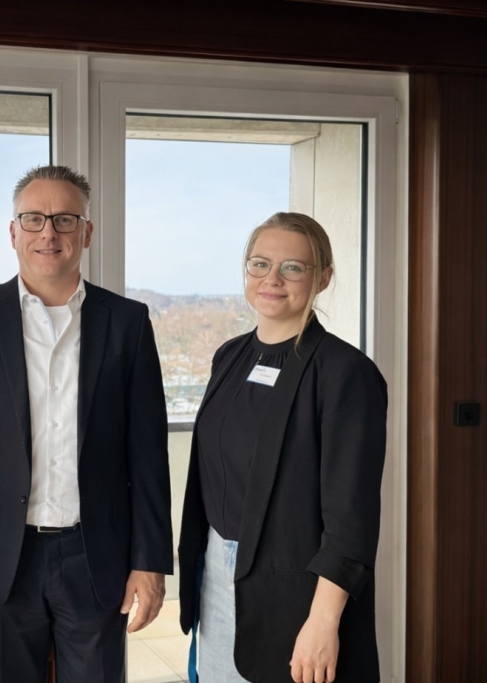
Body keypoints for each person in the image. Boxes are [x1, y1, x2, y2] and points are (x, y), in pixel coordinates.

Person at [0, 165, 172, 683]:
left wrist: (150, 562)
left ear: (85, 232)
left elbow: (148, 454)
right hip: (2, 558)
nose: (49, 233)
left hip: (96, 555)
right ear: (13, 232)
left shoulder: (128, 323)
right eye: (34, 219)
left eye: (65, 219)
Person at [177, 212, 388, 683]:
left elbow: (351, 518)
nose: (272, 279)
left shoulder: (344, 373)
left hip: (299, 592)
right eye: (259, 264)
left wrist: (323, 621)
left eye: (293, 267)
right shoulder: (229, 356)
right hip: (216, 575)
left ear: (323, 278)